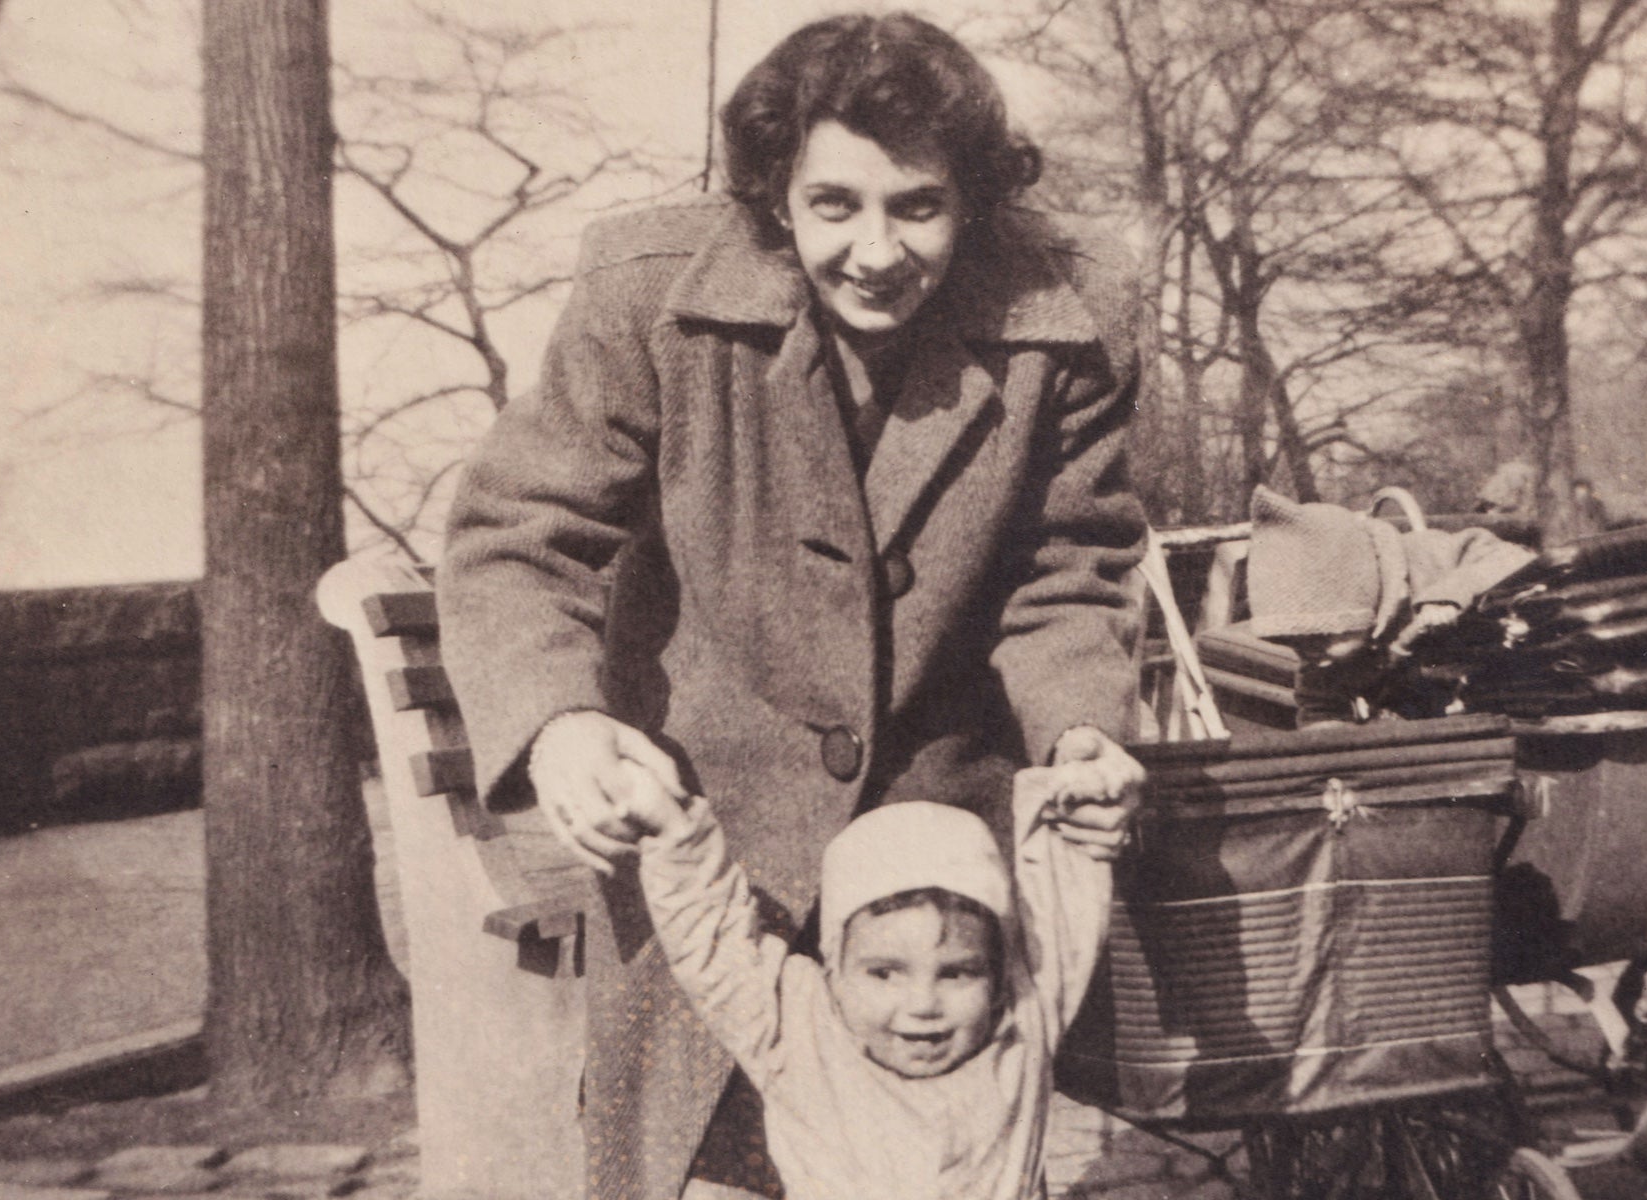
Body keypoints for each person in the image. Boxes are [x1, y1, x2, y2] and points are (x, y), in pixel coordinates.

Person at [437, 13, 1147, 1200]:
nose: (877, 250)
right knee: (695, 1160)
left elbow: (1071, 562)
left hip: (937, 841)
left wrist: (1082, 731)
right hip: (704, 827)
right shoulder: (648, 296)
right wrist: (560, 724)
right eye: (835, 205)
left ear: (971, 201)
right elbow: (517, 536)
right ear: (774, 196)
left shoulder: (1065, 316)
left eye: (917, 205)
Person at [596, 754, 1133, 1200]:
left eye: (957, 974)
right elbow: (713, 940)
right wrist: (673, 836)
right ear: (835, 968)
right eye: (884, 973)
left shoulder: (1023, 1020)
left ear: (997, 973)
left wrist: (1077, 796)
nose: (922, 1004)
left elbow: (1065, 912)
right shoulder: (798, 1031)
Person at [1244, 486, 1533, 723]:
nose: (1310, 657)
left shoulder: (1426, 555)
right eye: (1296, 645)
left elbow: (1514, 558)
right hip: (1427, 721)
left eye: (1317, 639)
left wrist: (1446, 596)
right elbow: (1319, 709)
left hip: (1501, 687)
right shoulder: (1323, 663)